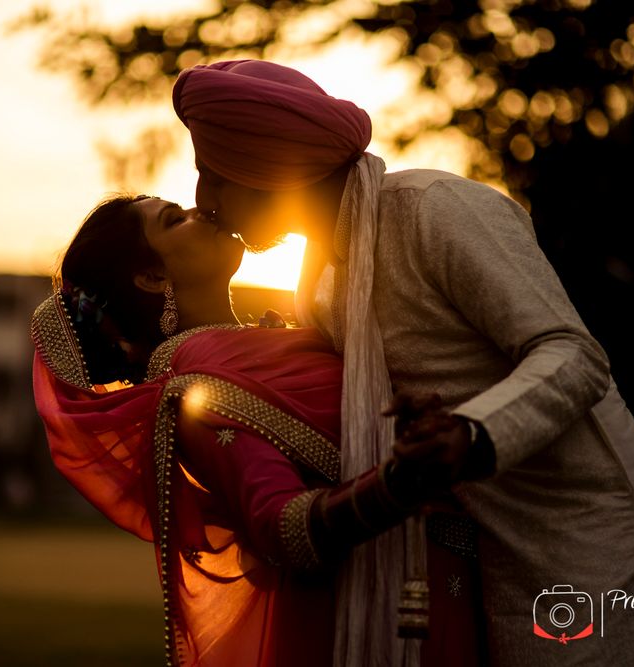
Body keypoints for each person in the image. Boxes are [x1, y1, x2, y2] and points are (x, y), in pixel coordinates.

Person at [172, 59, 634, 666]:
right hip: (489, 560)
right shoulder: (319, 286)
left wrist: (472, 433)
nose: (203, 199)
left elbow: (574, 355)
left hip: (599, 539)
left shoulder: (435, 209)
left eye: (214, 174)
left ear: (266, 163)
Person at [30, 195, 483, 666]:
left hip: (446, 571)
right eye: (174, 220)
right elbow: (283, 529)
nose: (202, 210)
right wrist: (399, 481)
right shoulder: (196, 394)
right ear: (152, 277)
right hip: (391, 611)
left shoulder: (291, 329)